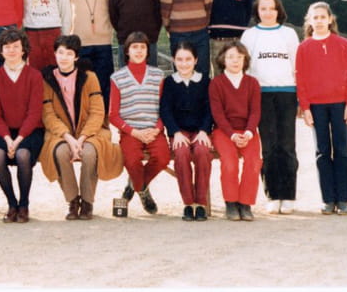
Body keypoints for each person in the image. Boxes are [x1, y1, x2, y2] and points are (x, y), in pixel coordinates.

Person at [38, 35, 123, 220]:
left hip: (90, 131)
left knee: (90, 152)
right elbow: (48, 115)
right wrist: (68, 138)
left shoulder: (89, 77)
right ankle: (72, 201)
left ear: (76, 57)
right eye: (61, 52)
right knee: (60, 152)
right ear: (55, 54)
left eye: (69, 54)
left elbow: (97, 112)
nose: (64, 57)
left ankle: (87, 201)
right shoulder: (47, 79)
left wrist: (82, 138)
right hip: (61, 133)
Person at [295, 1, 347, 215]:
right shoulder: (304, 48)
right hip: (316, 106)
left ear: (330, 19)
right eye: (315, 17)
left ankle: (343, 199)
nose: (320, 21)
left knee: (342, 149)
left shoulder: (343, 44)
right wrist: (305, 108)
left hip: (340, 104)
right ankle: (328, 199)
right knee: (322, 151)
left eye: (323, 17)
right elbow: (301, 79)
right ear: (310, 21)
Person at [241, 0, 300, 215]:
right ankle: (273, 195)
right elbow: (245, 68)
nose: (268, 13)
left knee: (287, 146)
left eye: (272, 9)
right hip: (261, 95)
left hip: (287, 93)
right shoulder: (249, 35)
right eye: (263, 8)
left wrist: (299, 97)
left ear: (278, 10)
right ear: (257, 10)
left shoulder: (288, 34)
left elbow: (297, 65)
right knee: (269, 147)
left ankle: (288, 195)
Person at [0, 28, 44, 223]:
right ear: (1, 50)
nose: (11, 50)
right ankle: (12, 203)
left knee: (23, 154)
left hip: (30, 131)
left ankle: (24, 204)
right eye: (7, 47)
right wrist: (7, 139)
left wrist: (18, 140)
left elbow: (35, 113)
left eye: (16, 46)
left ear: (23, 49)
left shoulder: (34, 75)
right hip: (4, 131)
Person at [109, 31, 169, 214]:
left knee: (163, 157)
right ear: (127, 51)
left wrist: (157, 129)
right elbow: (113, 115)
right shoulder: (117, 78)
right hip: (131, 132)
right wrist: (134, 132)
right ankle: (143, 190)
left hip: (153, 130)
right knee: (132, 160)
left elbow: (164, 109)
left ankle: (134, 185)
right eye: (134, 47)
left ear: (148, 51)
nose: (139, 51)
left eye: (143, 47)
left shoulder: (158, 75)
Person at [159, 41, 213, 221]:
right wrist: (175, 132)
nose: (184, 63)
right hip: (179, 131)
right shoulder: (169, 82)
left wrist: (204, 130)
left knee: (202, 151)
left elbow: (210, 109)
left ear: (196, 60)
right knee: (181, 153)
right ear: (174, 60)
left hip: (200, 131)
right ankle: (189, 203)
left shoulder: (205, 81)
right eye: (180, 59)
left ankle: (201, 203)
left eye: (188, 59)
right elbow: (165, 110)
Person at [209, 40, 262, 222]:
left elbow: (255, 111)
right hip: (224, 132)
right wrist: (232, 134)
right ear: (223, 59)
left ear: (245, 60)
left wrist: (248, 132)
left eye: (239, 57)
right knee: (230, 162)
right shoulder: (216, 83)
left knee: (253, 162)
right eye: (230, 57)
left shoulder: (252, 83)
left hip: (248, 132)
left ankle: (245, 204)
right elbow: (217, 114)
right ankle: (231, 203)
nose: (235, 61)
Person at [66, 0, 115, 112]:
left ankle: (103, 120)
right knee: (81, 87)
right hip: (80, 44)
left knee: (103, 86)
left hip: (103, 44)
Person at [208, 0, 253, 76]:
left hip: (239, 41)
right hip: (217, 42)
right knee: (219, 77)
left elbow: (247, 14)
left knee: (239, 75)